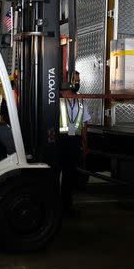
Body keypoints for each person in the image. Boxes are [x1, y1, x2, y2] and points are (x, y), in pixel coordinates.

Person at [59, 71, 90, 216]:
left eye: (78, 80)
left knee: (69, 173)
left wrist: (85, 144)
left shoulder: (81, 101)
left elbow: (84, 125)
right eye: (76, 80)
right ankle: (56, 203)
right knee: (55, 172)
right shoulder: (56, 100)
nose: (78, 83)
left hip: (73, 140)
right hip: (59, 140)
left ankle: (66, 204)